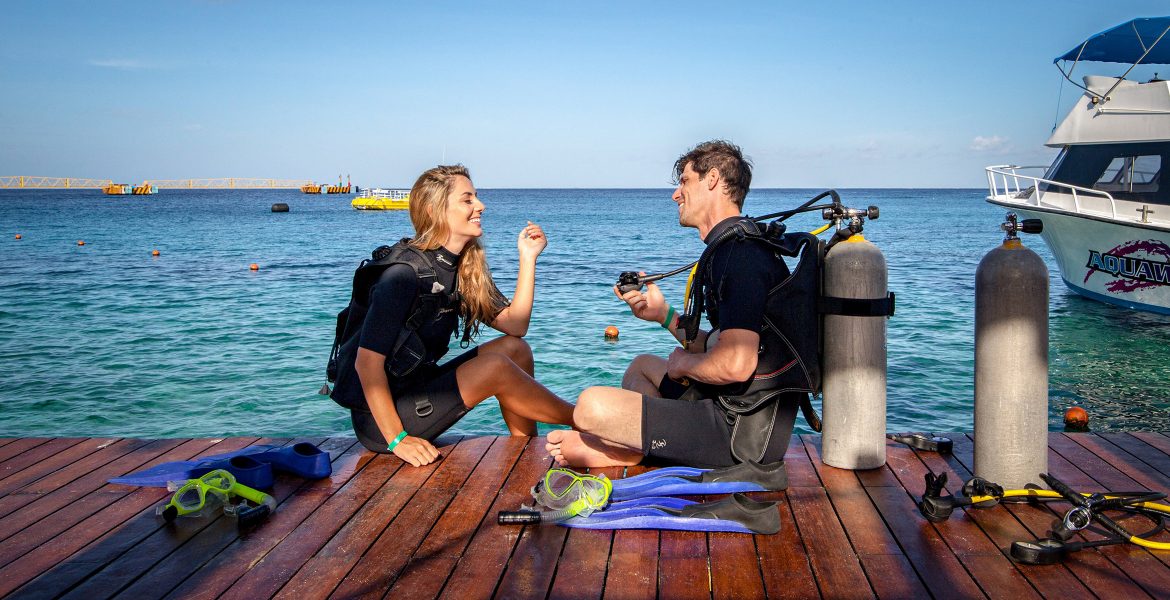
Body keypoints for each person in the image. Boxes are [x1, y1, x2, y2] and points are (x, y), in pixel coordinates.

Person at [547, 140, 805, 468]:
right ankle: (640, 445)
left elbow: (736, 363)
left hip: (740, 437)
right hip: (735, 412)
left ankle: (630, 451)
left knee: (589, 407)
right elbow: (717, 344)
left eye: (684, 181)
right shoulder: (733, 248)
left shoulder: (740, 256)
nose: (675, 194)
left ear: (712, 179)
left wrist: (683, 365)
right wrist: (662, 314)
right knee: (640, 365)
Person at [332, 165, 575, 467]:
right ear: (436, 210)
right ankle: (583, 419)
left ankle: (525, 451)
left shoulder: (460, 268)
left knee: (515, 349)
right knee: (496, 367)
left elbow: (516, 325)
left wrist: (528, 258)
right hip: (383, 423)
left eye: (476, 198)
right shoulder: (403, 275)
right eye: (467, 199)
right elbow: (366, 364)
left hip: (418, 390)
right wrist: (398, 440)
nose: (480, 206)